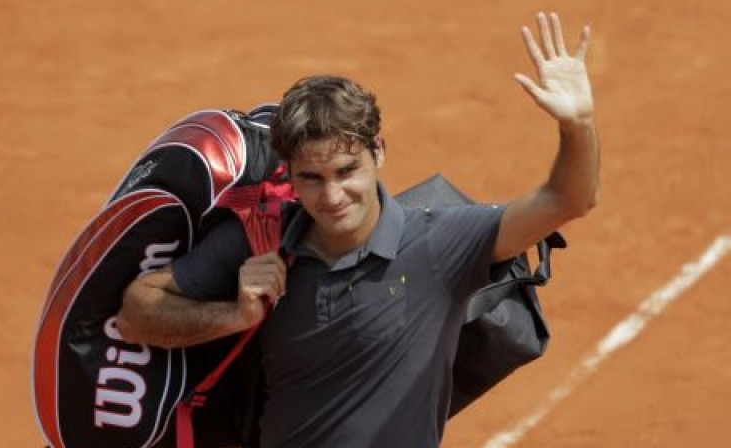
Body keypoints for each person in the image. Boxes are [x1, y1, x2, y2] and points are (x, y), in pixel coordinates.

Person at [116, 11, 599, 448]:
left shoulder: (439, 243)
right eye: (312, 178)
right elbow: (138, 312)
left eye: (347, 171)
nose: (331, 197)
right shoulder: (259, 240)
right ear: (289, 171)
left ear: (379, 153)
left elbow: (568, 200)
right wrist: (234, 315)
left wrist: (577, 126)